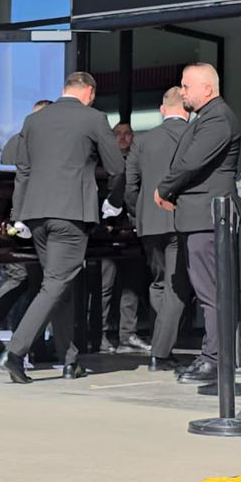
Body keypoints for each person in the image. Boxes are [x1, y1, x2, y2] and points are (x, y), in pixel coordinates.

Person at [0, 72, 123, 383]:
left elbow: (23, 171)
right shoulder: (94, 118)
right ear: (89, 92)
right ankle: (15, 351)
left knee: (59, 287)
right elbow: (117, 167)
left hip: (36, 215)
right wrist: (114, 202)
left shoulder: (33, 120)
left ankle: (70, 359)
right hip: (71, 213)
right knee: (55, 284)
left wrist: (18, 215)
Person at [154, 63, 241, 385]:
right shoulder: (208, 117)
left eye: (186, 85)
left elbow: (192, 162)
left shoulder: (217, 118)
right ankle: (212, 357)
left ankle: (214, 360)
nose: (182, 92)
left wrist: (164, 189)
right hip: (199, 215)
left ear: (207, 88)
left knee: (210, 292)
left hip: (207, 216)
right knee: (208, 291)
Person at [0, 100, 52, 358]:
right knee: (39, 282)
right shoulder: (39, 143)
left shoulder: (12, 143)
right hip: (32, 219)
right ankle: (32, 344)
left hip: (10, 220)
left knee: (20, 276)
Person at [125, 87, 190, 370]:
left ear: (163, 110)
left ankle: (162, 344)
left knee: (160, 283)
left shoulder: (142, 140)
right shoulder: (193, 135)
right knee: (177, 287)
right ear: (187, 109)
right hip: (181, 219)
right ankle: (161, 352)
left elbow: (130, 185)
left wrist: (138, 212)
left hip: (149, 222)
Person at [98, 121, 145, 353]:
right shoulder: (103, 164)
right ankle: (101, 334)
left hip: (132, 232)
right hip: (108, 233)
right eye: (118, 133)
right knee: (104, 286)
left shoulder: (140, 163)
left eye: (127, 133)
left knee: (132, 286)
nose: (123, 137)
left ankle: (128, 335)